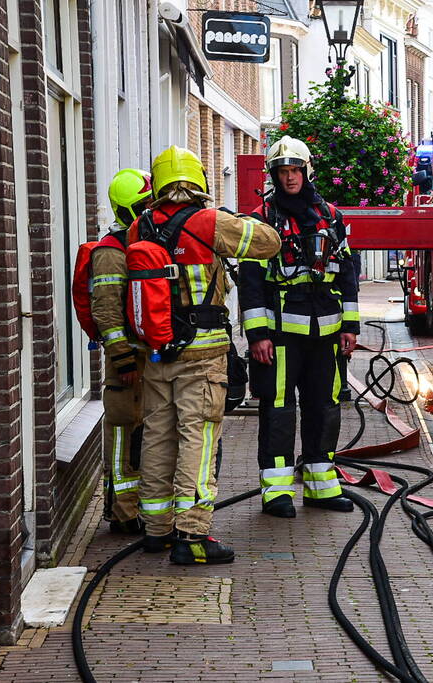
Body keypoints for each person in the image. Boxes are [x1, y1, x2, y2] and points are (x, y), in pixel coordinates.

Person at [131, 146, 280, 564]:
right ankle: (192, 534)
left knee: (158, 435)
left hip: (156, 352)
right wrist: (243, 219)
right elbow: (270, 243)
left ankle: (156, 529)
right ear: (198, 181)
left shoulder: (140, 227)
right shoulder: (208, 222)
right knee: (198, 436)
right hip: (203, 352)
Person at [239, 136, 360, 518]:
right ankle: (277, 492)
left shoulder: (331, 217)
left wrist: (350, 326)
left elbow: (349, 275)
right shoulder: (261, 222)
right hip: (280, 338)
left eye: (295, 170)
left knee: (324, 408)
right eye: (283, 171)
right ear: (273, 175)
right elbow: (252, 281)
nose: (290, 177)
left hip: (326, 336)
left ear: (306, 171)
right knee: (278, 410)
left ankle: (321, 487)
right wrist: (258, 335)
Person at [91, 168, 153, 535]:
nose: (148, 212)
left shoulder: (140, 245)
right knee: (121, 438)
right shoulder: (110, 253)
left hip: (147, 359)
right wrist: (123, 359)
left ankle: (135, 506)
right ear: (126, 209)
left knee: (142, 436)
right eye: (142, 206)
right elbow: (106, 311)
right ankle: (120, 511)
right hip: (125, 364)